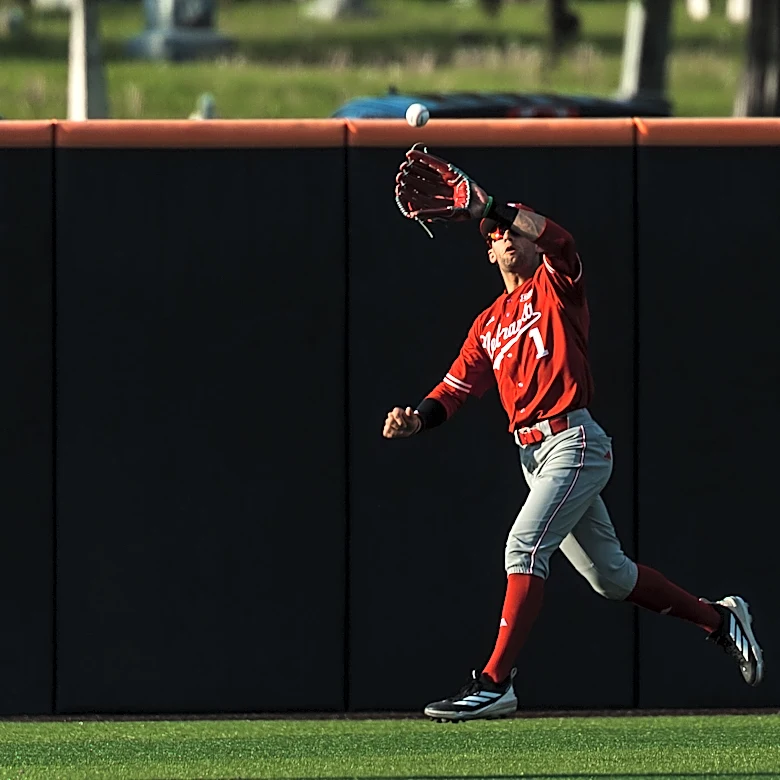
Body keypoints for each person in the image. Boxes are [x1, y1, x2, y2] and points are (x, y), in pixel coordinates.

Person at [383, 175, 764, 722]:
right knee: (612, 577)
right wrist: (416, 419)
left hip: (574, 440)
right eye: (494, 234)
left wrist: (493, 206)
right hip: (532, 458)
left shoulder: (556, 286)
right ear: (488, 254)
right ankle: (719, 620)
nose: (505, 237)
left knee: (522, 546)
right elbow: (454, 390)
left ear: (532, 240)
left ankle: (494, 682)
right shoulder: (486, 325)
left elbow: (563, 243)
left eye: (514, 229)